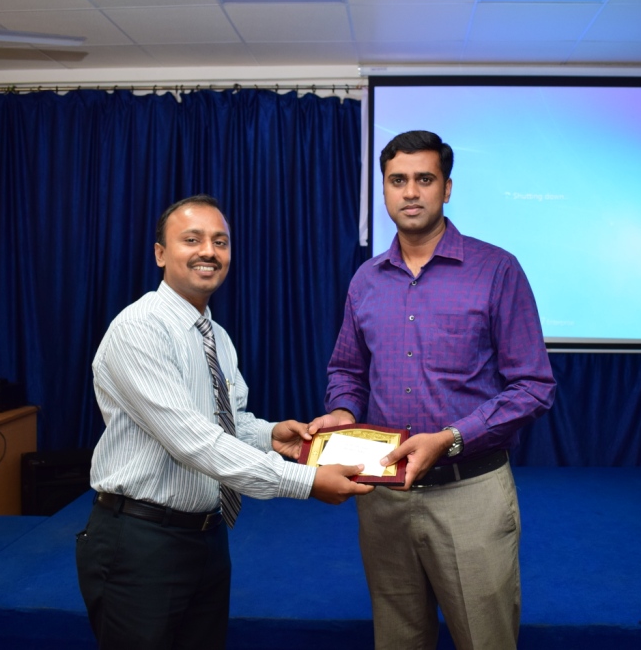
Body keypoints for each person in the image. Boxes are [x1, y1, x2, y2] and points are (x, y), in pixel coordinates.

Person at [76, 194, 372, 650]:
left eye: (220, 241)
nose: (209, 252)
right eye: (192, 240)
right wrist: (306, 481)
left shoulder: (217, 336)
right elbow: (192, 440)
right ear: (160, 254)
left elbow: (225, 422)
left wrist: (271, 436)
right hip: (140, 542)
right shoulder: (139, 329)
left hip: (206, 538)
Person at [322, 131, 557, 649]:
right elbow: (347, 371)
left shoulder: (497, 270)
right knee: (398, 639)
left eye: (424, 179)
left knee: (485, 639)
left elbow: (534, 386)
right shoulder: (366, 280)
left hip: (469, 492)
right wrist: (342, 413)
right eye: (397, 181)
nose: (410, 192)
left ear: (447, 189)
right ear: (384, 190)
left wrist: (450, 439)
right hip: (383, 496)